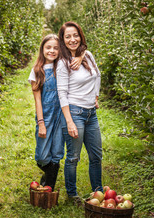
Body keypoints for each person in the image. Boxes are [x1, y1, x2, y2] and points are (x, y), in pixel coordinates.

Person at [28, 34, 83, 191]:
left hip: (62, 115)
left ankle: (49, 187)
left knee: (57, 152)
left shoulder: (62, 66)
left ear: (61, 50)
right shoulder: (37, 71)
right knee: (42, 157)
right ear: (42, 49)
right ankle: (48, 176)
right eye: (48, 47)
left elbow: (82, 50)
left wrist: (81, 56)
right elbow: (38, 100)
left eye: (56, 48)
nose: (52, 50)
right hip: (45, 116)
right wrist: (41, 123)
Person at [56, 21, 103, 200]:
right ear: (63, 40)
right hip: (75, 112)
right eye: (68, 36)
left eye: (75, 35)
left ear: (80, 36)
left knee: (96, 156)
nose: (72, 39)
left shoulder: (88, 55)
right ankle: (72, 195)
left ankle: (98, 193)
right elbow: (62, 93)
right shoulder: (63, 63)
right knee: (73, 157)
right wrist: (69, 121)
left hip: (91, 113)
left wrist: (95, 97)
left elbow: (97, 76)